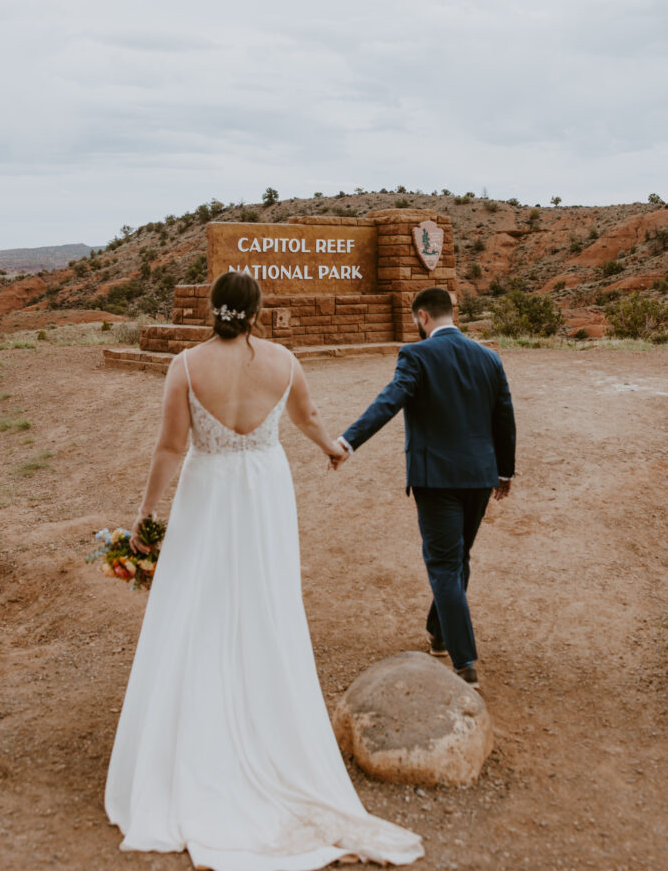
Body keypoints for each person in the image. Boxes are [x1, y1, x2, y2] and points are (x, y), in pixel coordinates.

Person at [104, 271, 424, 871]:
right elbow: (307, 418)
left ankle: (193, 741)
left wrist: (145, 516)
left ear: (212, 309)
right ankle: (268, 725)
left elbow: (171, 447)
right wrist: (333, 446)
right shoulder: (283, 361)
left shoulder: (186, 366)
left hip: (207, 490)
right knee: (264, 601)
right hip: (262, 491)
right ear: (258, 311)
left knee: (199, 602)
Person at [333, 287, 516, 691]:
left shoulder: (416, 355)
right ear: (451, 313)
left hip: (436, 480)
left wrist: (348, 442)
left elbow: (389, 401)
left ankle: (465, 660)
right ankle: (438, 632)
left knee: (444, 564)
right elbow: (504, 415)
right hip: (481, 478)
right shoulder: (489, 357)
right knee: (458, 558)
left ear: (422, 317)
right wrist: (505, 473)